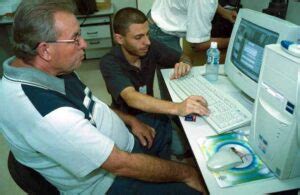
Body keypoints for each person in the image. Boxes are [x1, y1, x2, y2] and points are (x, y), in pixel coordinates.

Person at [0, 1, 206, 194]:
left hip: (124, 142)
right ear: (45, 50)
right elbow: (121, 163)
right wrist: (186, 173)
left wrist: (132, 120)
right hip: (110, 180)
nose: (84, 44)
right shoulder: (49, 115)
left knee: (160, 126)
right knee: (192, 187)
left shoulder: (50, 68)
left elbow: (92, 104)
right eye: (75, 38)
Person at [99, 8, 209, 156]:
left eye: (147, 34)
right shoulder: (109, 62)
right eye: (138, 37)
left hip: (153, 112)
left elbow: (184, 57)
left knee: (185, 149)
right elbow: (131, 98)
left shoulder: (150, 47)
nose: (147, 42)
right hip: (127, 118)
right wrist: (178, 108)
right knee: (154, 158)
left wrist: (184, 63)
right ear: (119, 39)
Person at [148, 0, 237, 53]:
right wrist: (233, 41)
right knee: (173, 78)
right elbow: (198, 45)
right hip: (161, 32)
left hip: (159, 15)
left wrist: (225, 13)